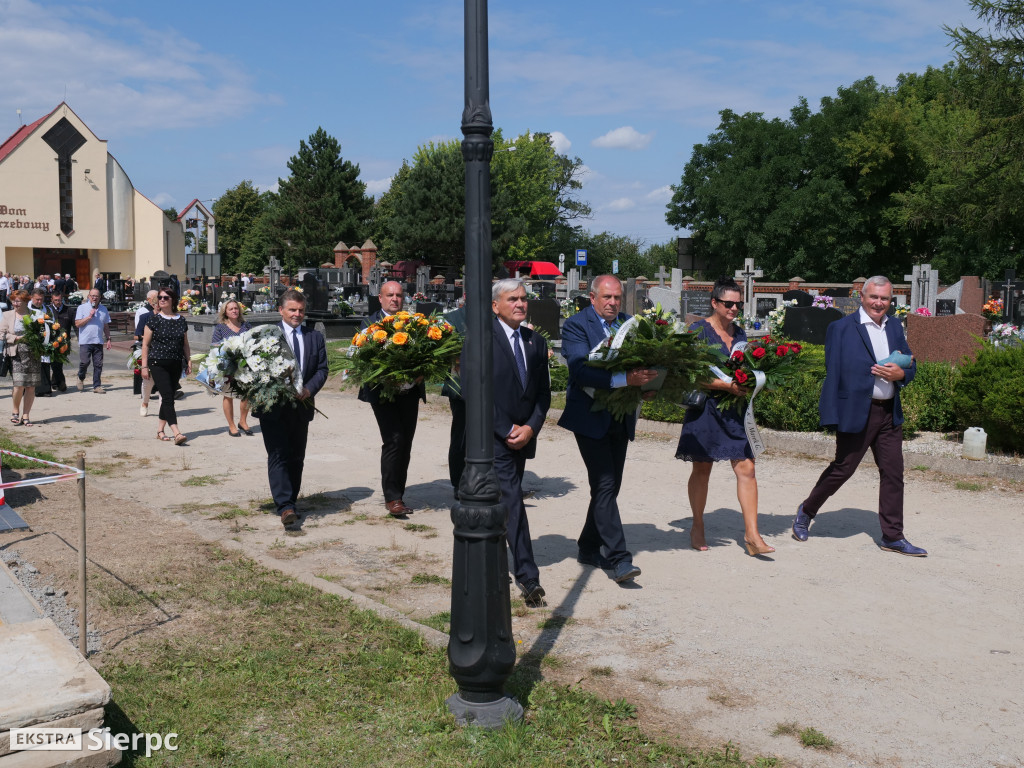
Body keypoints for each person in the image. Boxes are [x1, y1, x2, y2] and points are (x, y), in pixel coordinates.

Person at [792, 276, 926, 556]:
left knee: (893, 473)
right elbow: (833, 374)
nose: (879, 303)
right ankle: (807, 509)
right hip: (856, 411)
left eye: (885, 299)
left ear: (891, 301)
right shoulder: (840, 328)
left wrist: (902, 374)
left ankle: (892, 536)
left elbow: (910, 362)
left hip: (889, 412)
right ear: (862, 297)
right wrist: (830, 414)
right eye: (874, 297)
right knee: (843, 468)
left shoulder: (895, 328)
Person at [558, 275, 658, 584]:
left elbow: (643, 362)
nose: (613, 302)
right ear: (593, 298)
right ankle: (618, 559)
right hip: (589, 415)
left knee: (610, 487)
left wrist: (648, 386)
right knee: (603, 485)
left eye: (617, 297)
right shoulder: (576, 325)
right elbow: (580, 369)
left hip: (620, 415)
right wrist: (625, 380)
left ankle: (588, 546)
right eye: (607, 297)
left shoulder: (630, 323)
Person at [675, 277, 774, 556]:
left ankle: (752, 535)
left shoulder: (741, 334)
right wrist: (724, 385)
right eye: (728, 304)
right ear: (714, 303)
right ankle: (697, 524)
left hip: (735, 410)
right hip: (706, 408)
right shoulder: (697, 331)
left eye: (737, 304)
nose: (733, 309)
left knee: (747, 468)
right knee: (702, 469)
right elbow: (691, 372)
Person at [491, 279, 551, 605]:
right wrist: (506, 429)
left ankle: (494, 551)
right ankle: (528, 577)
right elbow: (477, 392)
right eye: (512, 298)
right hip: (494, 438)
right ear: (495, 305)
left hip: (522, 437)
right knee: (513, 500)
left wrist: (530, 428)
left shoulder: (535, 342)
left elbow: (543, 393)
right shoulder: (482, 340)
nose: (520, 304)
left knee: (504, 500)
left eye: (523, 299)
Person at [257, 289, 328, 527]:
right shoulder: (267, 336)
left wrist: (309, 389)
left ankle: (292, 500)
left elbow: (322, 369)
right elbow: (256, 369)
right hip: (273, 407)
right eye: (292, 310)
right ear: (281, 310)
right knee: (278, 454)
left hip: (302, 405)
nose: (297, 314)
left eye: (301, 310)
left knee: (297, 456)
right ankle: (285, 506)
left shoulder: (314, 337)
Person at [358, 280, 424, 517]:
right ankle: (392, 498)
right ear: (381, 298)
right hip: (383, 393)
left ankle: (399, 493)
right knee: (394, 440)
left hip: (410, 391)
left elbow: (425, 354)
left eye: (398, 295)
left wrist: (419, 373)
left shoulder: (415, 323)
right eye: (390, 295)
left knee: (405, 442)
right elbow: (365, 360)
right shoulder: (370, 323)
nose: (395, 299)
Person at [140, 288, 191, 445]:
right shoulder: (154, 320)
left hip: (176, 363)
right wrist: (144, 366)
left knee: (168, 395)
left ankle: (160, 431)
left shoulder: (181, 320)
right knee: (168, 397)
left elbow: (185, 344)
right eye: (159, 297)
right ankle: (176, 432)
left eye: (165, 297)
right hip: (158, 363)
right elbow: (145, 345)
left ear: (173, 300)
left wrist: (189, 361)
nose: (161, 300)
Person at [211, 299, 253, 437]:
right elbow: (215, 346)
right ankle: (232, 425)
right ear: (225, 312)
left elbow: (254, 342)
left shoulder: (246, 325)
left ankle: (243, 421)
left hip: (245, 366)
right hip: (228, 367)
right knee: (228, 396)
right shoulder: (220, 328)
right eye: (231, 309)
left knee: (246, 395)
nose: (234, 311)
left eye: (236, 308)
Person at [1, 290, 41, 426]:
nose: (15, 303)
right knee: (19, 385)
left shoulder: (34, 314)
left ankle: (26, 415)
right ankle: (15, 410)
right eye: (13, 300)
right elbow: (2, 334)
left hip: (33, 354)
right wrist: (16, 338)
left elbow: (42, 332)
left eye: (18, 301)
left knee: (30, 387)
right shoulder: (7, 315)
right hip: (16, 354)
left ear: (25, 302)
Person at [441, 296, 467, 497]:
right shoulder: (451, 319)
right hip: (461, 386)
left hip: (492, 386)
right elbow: (443, 352)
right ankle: (459, 481)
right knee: (462, 433)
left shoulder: (495, 317)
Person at [74, 288, 111, 393]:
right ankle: (81, 377)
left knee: (98, 364)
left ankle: (97, 386)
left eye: (97, 296)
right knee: (85, 362)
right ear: (88, 296)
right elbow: (77, 324)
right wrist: (89, 316)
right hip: (85, 341)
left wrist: (108, 338)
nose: (94, 298)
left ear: (100, 298)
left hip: (98, 341)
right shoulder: (82, 308)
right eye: (92, 296)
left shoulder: (104, 309)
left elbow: (106, 325)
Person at [38, 290, 71, 396]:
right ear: (52, 300)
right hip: (49, 339)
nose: (58, 302)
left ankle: (58, 383)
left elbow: (73, 324)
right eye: (56, 300)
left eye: (60, 300)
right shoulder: (47, 309)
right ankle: (54, 383)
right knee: (48, 363)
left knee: (58, 363)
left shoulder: (68, 310)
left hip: (62, 340)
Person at [135, 290, 158, 415]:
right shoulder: (145, 317)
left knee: (163, 382)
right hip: (149, 350)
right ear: (153, 304)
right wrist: (148, 338)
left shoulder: (168, 317)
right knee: (148, 382)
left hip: (163, 353)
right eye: (157, 304)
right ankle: (145, 402)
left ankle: (163, 408)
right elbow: (137, 336)